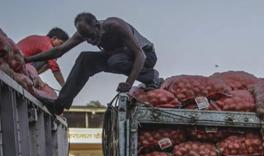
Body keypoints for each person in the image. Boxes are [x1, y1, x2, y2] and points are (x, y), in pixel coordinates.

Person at [24, 13, 161, 115]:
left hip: (146, 56)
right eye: (87, 38)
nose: (91, 40)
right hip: (118, 57)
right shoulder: (82, 34)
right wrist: (28, 59)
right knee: (85, 59)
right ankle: (60, 104)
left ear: (97, 25)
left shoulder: (116, 26)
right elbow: (58, 51)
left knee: (115, 61)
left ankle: (151, 76)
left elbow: (140, 55)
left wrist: (128, 83)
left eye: (92, 35)